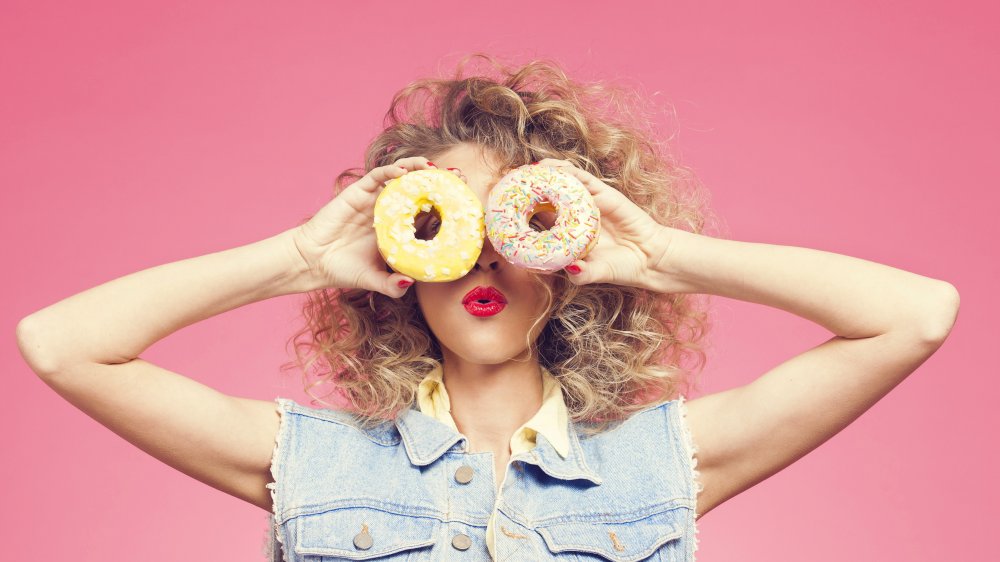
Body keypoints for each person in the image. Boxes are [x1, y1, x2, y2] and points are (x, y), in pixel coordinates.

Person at [15, 53, 959, 561]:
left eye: (524, 230)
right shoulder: (309, 460)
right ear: (407, 257)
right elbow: (60, 346)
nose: (491, 261)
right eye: (455, 227)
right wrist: (299, 258)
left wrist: (665, 256)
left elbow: (914, 315)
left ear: (565, 266)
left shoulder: (662, 465)